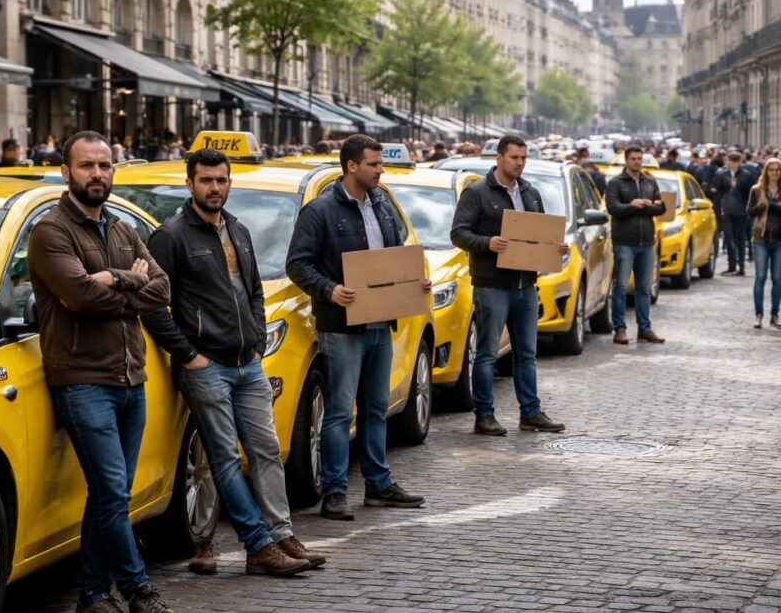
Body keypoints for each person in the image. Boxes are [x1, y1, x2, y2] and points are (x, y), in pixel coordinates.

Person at [143, 148, 321, 577]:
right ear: (190, 184)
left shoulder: (237, 229)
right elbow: (153, 306)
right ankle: (257, 544)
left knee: (266, 452)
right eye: (206, 180)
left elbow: (255, 291)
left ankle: (281, 535)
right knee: (222, 457)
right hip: (207, 367)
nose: (215, 187)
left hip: (247, 363)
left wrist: (257, 339)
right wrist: (189, 355)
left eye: (221, 180)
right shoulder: (171, 236)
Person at [26, 131, 173, 613]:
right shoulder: (51, 231)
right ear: (65, 172)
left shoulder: (123, 229)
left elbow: (163, 288)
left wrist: (116, 278)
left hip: (131, 380)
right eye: (87, 166)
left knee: (109, 497)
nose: (97, 174)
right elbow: (81, 298)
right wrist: (128, 284)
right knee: (112, 493)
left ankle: (92, 594)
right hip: (83, 382)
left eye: (105, 166)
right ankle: (138, 590)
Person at [287, 134, 430, 520]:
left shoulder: (381, 205)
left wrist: (413, 282)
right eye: (373, 164)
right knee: (338, 411)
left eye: (380, 164)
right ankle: (334, 492)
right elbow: (298, 264)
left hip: (380, 323)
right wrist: (329, 290)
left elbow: (394, 258)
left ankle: (378, 484)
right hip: (342, 326)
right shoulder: (320, 211)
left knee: (375, 408)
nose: (380, 170)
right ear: (351, 166)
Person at [451, 135, 568, 437]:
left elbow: (539, 234)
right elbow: (459, 233)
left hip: (525, 285)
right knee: (488, 353)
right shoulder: (477, 192)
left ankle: (530, 412)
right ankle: (484, 415)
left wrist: (555, 248)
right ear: (499, 158)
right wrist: (487, 243)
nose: (519, 163)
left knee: (527, 353)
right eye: (514, 157)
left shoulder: (530, 192)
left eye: (523, 158)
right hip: (493, 286)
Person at [603, 145, 667, 344]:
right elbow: (613, 208)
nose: (637, 162)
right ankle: (620, 329)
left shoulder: (650, 181)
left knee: (644, 289)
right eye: (633, 158)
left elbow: (662, 207)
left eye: (640, 158)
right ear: (626, 160)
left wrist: (647, 205)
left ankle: (644, 328)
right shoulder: (616, 183)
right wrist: (632, 205)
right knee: (621, 287)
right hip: (624, 242)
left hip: (646, 242)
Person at [747, 158, 781, 329]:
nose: (774, 172)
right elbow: (749, 211)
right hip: (760, 238)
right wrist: (763, 206)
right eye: (771, 170)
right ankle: (758, 314)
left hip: (779, 239)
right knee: (760, 277)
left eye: (777, 170)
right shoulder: (757, 190)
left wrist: (774, 206)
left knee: (777, 279)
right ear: (766, 172)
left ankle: (775, 315)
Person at [715, 152, 754, 276]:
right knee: (729, 237)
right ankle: (732, 266)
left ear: (737, 162)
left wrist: (747, 207)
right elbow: (718, 189)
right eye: (728, 161)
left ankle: (741, 265)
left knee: (740, 239)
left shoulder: (746, 175)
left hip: (741, 211)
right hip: (727, 210)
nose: (729, 164)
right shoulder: (722, 174)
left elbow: (750, 194)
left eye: (731, 162)